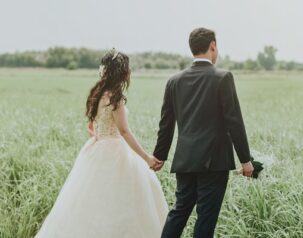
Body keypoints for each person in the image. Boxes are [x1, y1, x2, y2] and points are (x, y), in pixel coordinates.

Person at [35, 49, 168, 238]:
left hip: (96, 148)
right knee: (120, 201)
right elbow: (124, 131)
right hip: (115, 149)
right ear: (122, 72)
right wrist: (146, 158)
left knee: (92, 201)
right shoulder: (116, 99)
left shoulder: (98, 94)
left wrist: (99, 136)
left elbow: (91, 126)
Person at [153, 27, 254, 238]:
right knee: (205, 220)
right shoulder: (223, 77)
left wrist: (160, 156)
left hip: (185, 160)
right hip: (214, 161)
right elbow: (234, 121)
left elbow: (166, 123)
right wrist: (245, 160)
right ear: (213, 46)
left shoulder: (174, 81)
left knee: (179, 212)